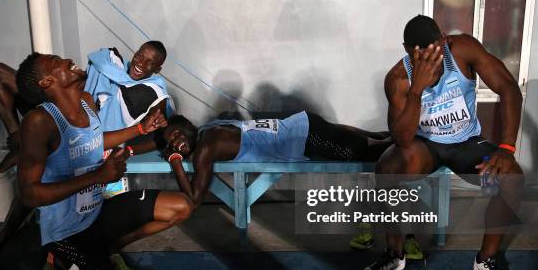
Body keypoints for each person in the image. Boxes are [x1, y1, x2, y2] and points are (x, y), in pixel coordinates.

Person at [15, 52, 192, 270]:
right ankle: (60, 260)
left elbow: (96, 140)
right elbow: (29, 194)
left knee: (181, 206)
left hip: (98, 214)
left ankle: (107, 249)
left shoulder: (86, 102)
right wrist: (98, 175)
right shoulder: (39, 122)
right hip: (67, 233)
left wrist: (139, 129)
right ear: (47, 82)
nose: (66, 60)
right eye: (56, 62)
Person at [0, 41, 171, 270]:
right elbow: (31, 193)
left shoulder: (153, 93)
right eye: (140, 56)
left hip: (93, 143)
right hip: (68, 130)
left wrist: (128, 146)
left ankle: (90, 254)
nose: (141, 63)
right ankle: (18, 142)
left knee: (77, 205)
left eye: (150, 62)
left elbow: (156, 135)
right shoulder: (106, 65)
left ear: (158, 68)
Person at [359, 15, 524, 270]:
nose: (428, 63)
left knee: (512, 179)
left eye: (434, 54)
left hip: (466, 143)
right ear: (406, 49)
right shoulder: (398, 78)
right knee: (387, 168)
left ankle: (486, 260)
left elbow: (508, 87)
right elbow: (402, 139)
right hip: (426, 145)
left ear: (444, 40)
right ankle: (394, 251)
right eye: (419, 56)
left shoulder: (463, 50)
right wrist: (417, 90)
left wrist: (507, 148)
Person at [159, 111, 391, 208]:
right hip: (302, 124)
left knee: (360, 154)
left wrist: (176, 161)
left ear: (189, 126)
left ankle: (403, 144)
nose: (176, 143)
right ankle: (386, 137)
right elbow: (163, 139)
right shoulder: (208, 128)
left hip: (305, 137)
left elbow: (194, 200)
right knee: (365, 140)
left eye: (177, 135)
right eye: (171, 143)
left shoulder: (207, 147)